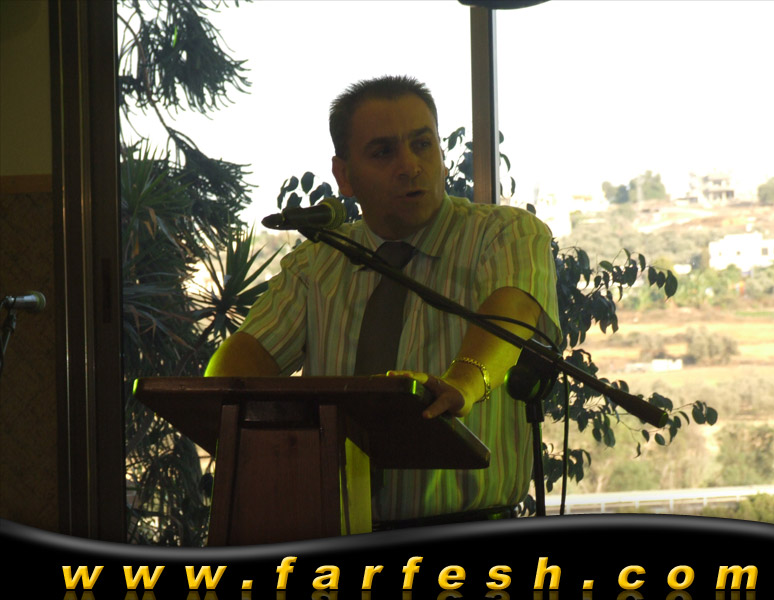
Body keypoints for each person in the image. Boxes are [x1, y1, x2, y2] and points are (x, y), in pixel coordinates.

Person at [205, 75, 561, 526]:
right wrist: (223, 404)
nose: (410, 166)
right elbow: (243, 362)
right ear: (344, 175)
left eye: (422, 144)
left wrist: (464, 385)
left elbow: (511, 314)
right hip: (334, 535)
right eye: (383, 152)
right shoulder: (317, 263)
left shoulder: (504, 233)